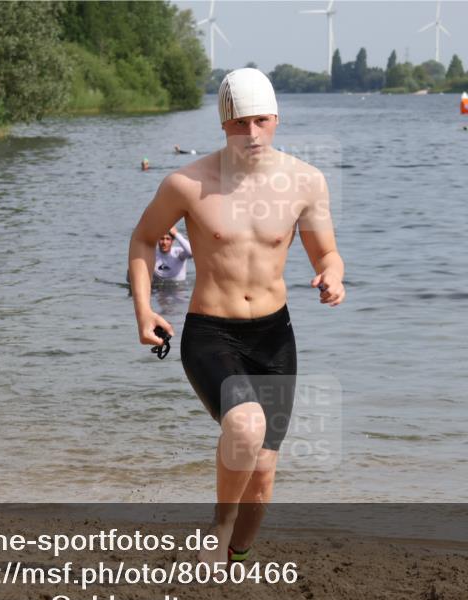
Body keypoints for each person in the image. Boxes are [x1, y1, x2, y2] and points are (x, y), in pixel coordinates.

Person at [128, 67, 345, 566]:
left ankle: (236, 557)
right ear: (224, 123)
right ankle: (218, 531)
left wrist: (333, 276)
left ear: (276, 119)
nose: (252, 134)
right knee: (245, 429)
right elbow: (142, 239)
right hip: (211, 333)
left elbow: (327, 254)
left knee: (263, 478)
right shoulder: (187, 183)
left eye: (262, 121)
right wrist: (144, 310)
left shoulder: (306, 182)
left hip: (274, 337)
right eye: (240, 123)